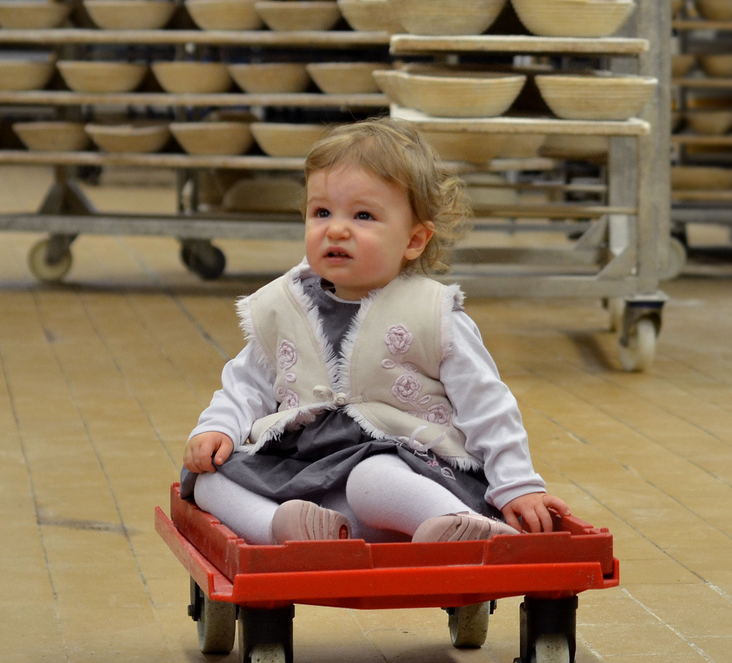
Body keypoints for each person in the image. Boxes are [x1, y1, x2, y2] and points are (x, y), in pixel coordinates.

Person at [180, 117, 569, 545]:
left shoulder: (433, 314)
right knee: (208, 480)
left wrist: (517, 484)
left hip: (409, 470)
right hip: (310, 480)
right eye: (321, 212)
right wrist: (216, 428)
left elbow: (487, 404)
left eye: (363, 215)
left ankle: (461, 525)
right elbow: (245, 386)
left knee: (371, 478)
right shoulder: (282, 307)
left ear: (414, 240)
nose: (337, 228)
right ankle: (283, 532)